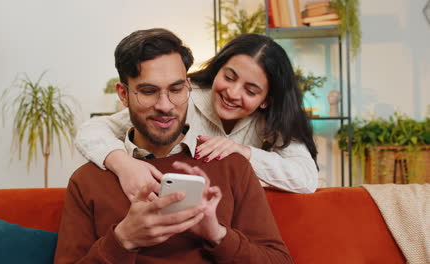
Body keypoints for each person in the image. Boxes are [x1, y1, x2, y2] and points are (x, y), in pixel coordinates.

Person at [54, 28, 292, 263]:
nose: (165, 106)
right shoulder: (87, 180)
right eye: (148, 91)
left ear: (189, 87)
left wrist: (217, 235)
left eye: (176, 89)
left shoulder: (232, 166)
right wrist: (123, 240)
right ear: (123, 94)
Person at [75, 33, 319, 200]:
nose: (233, 93)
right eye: (229, 77)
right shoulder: (180, 99)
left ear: (266, 100)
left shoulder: (271, 121)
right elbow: (93, 129)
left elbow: (306, 178)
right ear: (217, 70)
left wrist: (242, 152)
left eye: (251, 90)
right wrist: (124, 164)